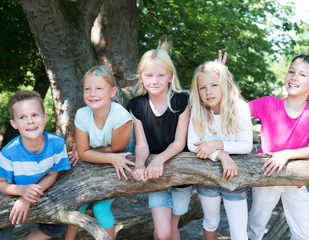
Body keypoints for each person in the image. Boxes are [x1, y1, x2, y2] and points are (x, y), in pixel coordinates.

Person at [248, 54, 309, 240]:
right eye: (291, 71)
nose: (293, 77)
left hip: (295, 178)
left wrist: (284, 154)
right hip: (266, 174)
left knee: (304, 233)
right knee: (256, 227)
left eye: (302, 75)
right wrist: (220, 78)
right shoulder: (268, 103)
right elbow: (233, 110)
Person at [0, 90, 71, 240]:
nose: (30, 121)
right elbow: (0, 183)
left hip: (31, 191)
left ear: (44, 117)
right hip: (3, 194)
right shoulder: (9, 152)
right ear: (14, 124)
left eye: (34, 115)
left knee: (57, 223)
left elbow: (52, 174)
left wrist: (26, 198)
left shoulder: (57, 144)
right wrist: (21, 191)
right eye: (22, 117)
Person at [127, 48, 192, 240]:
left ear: (170, 77)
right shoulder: (136, 105)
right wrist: (140, 164)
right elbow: (142, 145)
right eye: (149, 75)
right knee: (163, 233)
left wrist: (160, 160)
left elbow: (180, 142)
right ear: (141, 77)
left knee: (172, 230)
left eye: (161, 75)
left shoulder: (182, 101)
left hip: (182, 176)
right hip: (155, 177)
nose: (154, 80)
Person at [65, 65, 135, 240]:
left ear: (112, 92)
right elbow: (82, 152)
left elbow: (117, 149)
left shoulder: (120, 116)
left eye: (98, 88)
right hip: (101, 161)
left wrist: (87, 152)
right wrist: (85, 152)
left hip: (122, 162)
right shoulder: (82, 114)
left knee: (100, 208)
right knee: (77, 204)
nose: (92, 93)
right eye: (87, 89)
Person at [187, 61, 253, 240]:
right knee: (211, 222)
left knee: (239, 233)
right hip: (208, 178)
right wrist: (221, 155)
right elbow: (192, 144)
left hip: (235, 178)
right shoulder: (198, 110)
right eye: (203, 88)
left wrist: (216, 144)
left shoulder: (240, 108)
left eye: (214, 85)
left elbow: (246, 145)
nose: (208, 92)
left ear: (225, 84)